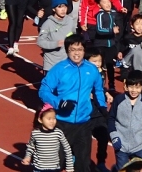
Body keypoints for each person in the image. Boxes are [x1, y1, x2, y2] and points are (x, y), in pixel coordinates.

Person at [38, 34, 108, 172]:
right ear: (67, 50)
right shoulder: (59, 69)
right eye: (73, 49)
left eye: (80, 49)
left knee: (83, 164)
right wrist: (59, 103)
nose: (77, 53)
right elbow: (43, 90)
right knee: (57, 162)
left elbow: (99, 90)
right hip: (62, 123)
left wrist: (103, 107)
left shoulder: (92, 69)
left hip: (84, 124)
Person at [108, 70, 142, 170]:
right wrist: (114, 136)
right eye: (131, 86)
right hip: (121, 146)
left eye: (137, 87)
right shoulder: (119, 100)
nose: (134, 90)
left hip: (138, 146)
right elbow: (111, 119)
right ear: (126, 86)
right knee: (122, 169)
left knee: (140, 170)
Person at [22, 104, 74, 172]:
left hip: (54, 168)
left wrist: (69, 166)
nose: (52, 121)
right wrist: (27, 157)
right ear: (40, 120)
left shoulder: (58, 133)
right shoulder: (35, 133)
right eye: (49, 119)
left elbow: (67, 149)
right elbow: (31, 147)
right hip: (39, 168)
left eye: (54, 118)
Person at [37, 0, 77, 72]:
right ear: (54, 9)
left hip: (67, 62)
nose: (63, 9)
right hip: (51, 64)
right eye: (59, 7)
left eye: (65, 6)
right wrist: (55, 44)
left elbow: (74, 36)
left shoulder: (70, 21)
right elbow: (40, 42)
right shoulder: (47, 24)